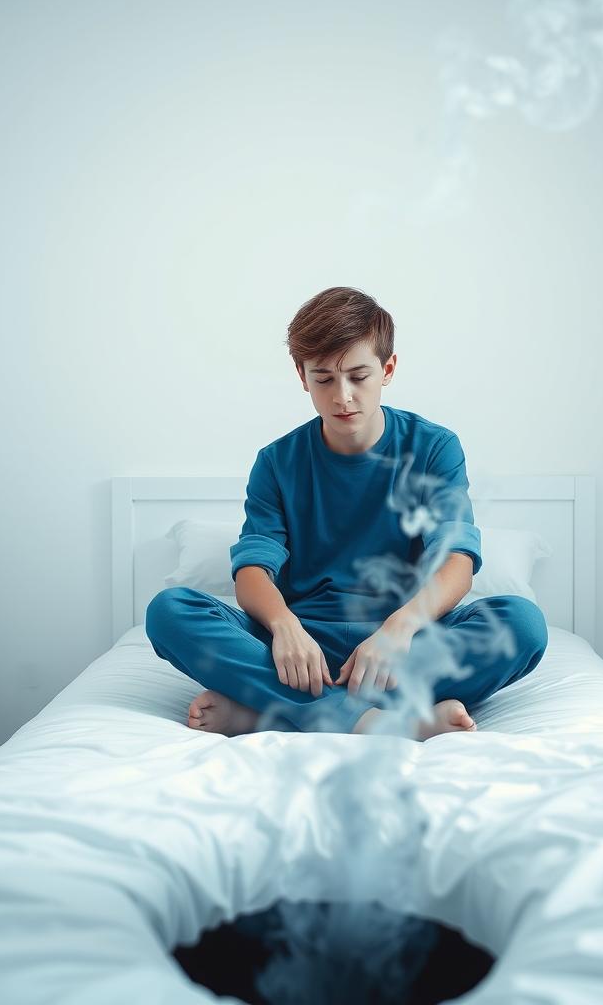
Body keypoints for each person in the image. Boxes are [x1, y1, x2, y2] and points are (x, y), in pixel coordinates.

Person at [145, 287, 548, 739]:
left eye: (359, 376)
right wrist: (284, 626)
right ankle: (375, 718)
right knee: (169, 611)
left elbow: (456, 560)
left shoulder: (434, 448)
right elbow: (253, 569)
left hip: (403, 644)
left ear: (387, 369)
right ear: (301, 376)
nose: (343, 397)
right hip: (300, 649)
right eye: (323, 379)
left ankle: (274, 712)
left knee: (523, 624)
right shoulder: (277, 462)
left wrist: (401, 627)